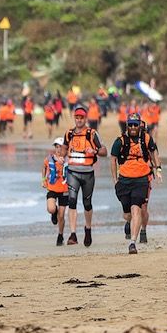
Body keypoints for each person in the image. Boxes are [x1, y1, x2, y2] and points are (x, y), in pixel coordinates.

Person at [111, 116, 161, 255]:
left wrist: (158, 170)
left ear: (140, 125)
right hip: (124, 181)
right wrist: (115, 180)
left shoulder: (146, 139)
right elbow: (113, 159)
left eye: (136, 125)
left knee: (138, 208)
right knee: (128, 213)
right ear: (127, 125)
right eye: (131, 125)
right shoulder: (120, 141)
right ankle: (129, 222)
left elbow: (155, 153)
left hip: (143, 179)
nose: (133, 127)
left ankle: (133, 241)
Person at [61, 106, 107, 247]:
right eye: (77, 117)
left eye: (81, 118)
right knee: (72, 200)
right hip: (72, 172)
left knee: (87, 203)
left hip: (88, 173)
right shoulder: (69, 133)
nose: (79, 120)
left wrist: (94, 150)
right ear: (74, 118)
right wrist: (61, 156)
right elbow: (63, 148)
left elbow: (104, 151)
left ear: (85, 119)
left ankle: (88, 229)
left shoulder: (92, 134)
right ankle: (73, 234)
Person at [43, 138, 70, 245]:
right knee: (51, 208)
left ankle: (60, 235)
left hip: (64, 189)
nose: (58, 149)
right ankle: (54, 213)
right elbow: (44, 167)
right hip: (52, 187)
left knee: (62, 216)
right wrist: (43, 180)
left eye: (61, 147)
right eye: (57, 147)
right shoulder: (50, 158)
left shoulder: (68, 160)